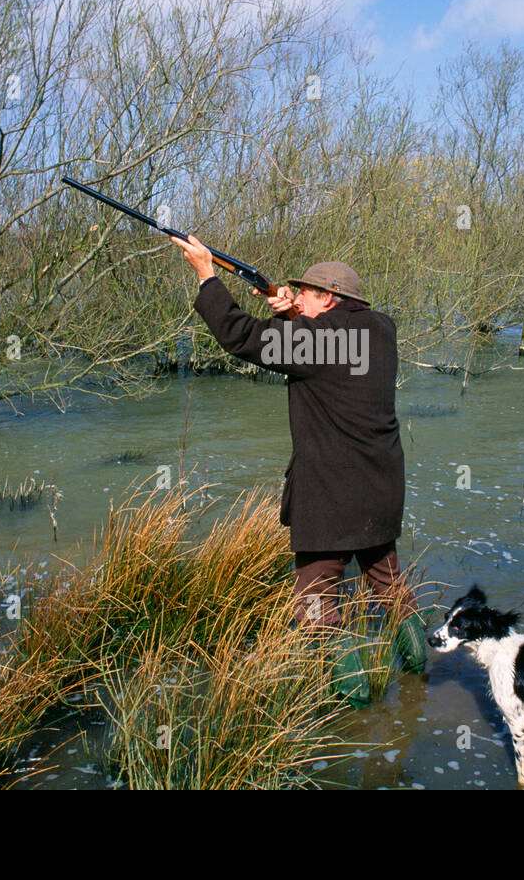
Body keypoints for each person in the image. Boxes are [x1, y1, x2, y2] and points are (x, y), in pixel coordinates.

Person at [170, 233, 427, 706]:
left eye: (306, 292)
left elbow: (239, 336)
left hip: (331, 499)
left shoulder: (317, 340)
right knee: (389, 586)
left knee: (314, 601)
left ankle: (354, 713)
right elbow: (325, 348)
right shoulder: (381, 330)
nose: (300, 297)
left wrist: (207, 275)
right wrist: (290, 311)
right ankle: (417, 686)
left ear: (329, 298)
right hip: (381, 491)